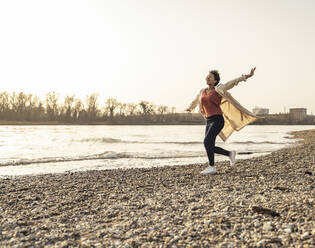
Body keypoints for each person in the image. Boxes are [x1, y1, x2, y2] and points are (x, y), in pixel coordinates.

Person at [186, 67, 258, 175]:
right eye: (207, 76)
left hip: (218, 120)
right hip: (209, 120)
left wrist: (246, 76)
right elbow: (196, 100)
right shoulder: (202, 91)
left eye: (210, 77)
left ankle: (212, 167)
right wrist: (190, 108)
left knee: (206, 142)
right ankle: (229, 154)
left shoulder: (219, 89)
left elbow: (232, 82)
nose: (208, 78)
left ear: (215, 81)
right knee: (208, 144)